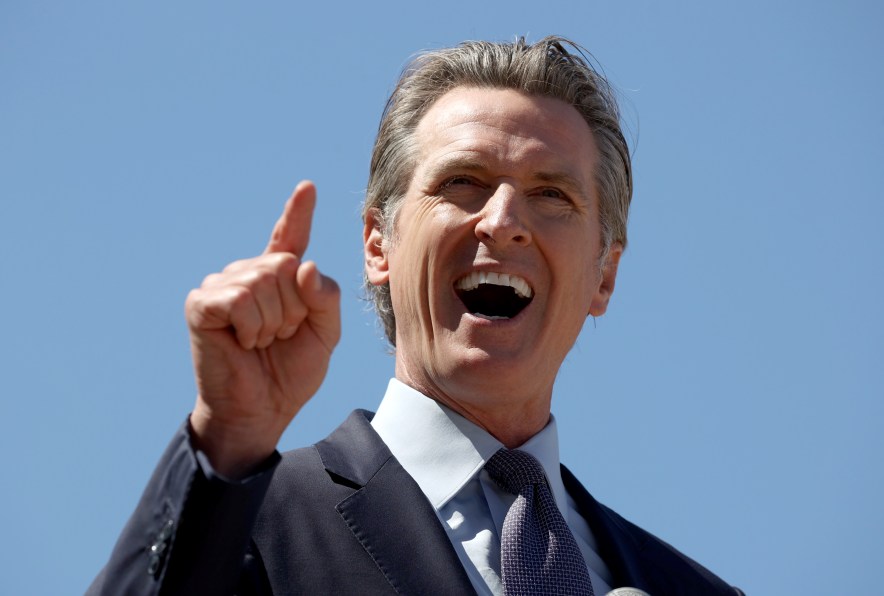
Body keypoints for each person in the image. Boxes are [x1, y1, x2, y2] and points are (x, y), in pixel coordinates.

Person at [89, 37, 743, 595]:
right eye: (462, 182)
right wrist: (228, 438)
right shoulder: (248, 520)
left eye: (551, 193)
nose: (504, 220)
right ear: (379, 244)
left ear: (605, 275)